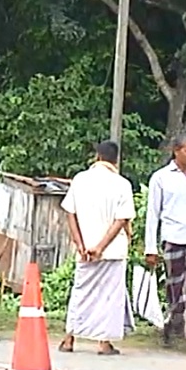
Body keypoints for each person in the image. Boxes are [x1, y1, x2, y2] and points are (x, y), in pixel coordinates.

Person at [59, 140, 136, 355]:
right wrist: (101, 247)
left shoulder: (80, 180)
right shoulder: (122, 184)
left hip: (85, 250)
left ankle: (69, 338)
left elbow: (70, 214)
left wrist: (81, 244)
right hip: (111, 250)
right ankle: (103, 342)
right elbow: (121, 220)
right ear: (116, 159)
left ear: (97, 157)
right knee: (109, 297)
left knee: (81, 292)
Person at [145, 132, 186, 357]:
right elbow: (153, 215)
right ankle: (179, 329)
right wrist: (150, 248)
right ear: (176, 151)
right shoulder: (161, 178)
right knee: (177, 290)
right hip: (173, 240)